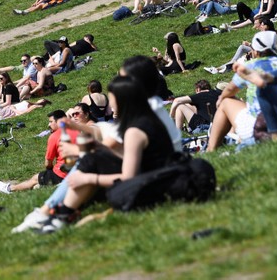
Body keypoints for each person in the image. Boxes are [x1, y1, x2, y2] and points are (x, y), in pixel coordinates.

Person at [34, 76, 179, 232]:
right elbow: (111, 142)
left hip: (152, 184)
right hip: (156, 176)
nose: (108, 106)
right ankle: (59, 213)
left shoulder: (135, 129)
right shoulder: (139, 118)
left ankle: (56, 213)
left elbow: (127, 175)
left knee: (91, 162)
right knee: (92, 160)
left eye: (111, 100)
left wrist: (88, 176)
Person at [0, 109, 77, 194]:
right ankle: (44, 185)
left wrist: (49, 170)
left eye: (51, 122)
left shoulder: (55, 136)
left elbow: (48, 161)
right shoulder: (77, 131)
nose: (49, 125)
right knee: (39, 183)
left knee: (35, 178)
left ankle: (10, 189)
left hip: (63, 174)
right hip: (78, 171)